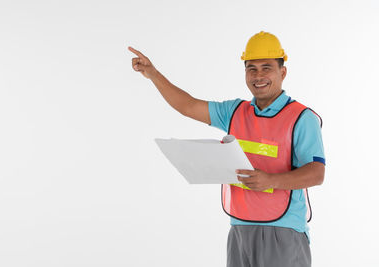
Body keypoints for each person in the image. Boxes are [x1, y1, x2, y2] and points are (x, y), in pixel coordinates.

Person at [129, 31, 325, 267]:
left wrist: (270, 180)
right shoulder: (234, 112)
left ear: (282, 72)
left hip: (283, 232)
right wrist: (152, 74)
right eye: (251, 68)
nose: (258, 75)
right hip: (239, 228)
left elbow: (316, 174)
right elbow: (188, 106)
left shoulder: (302, 118)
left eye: (266, 67)